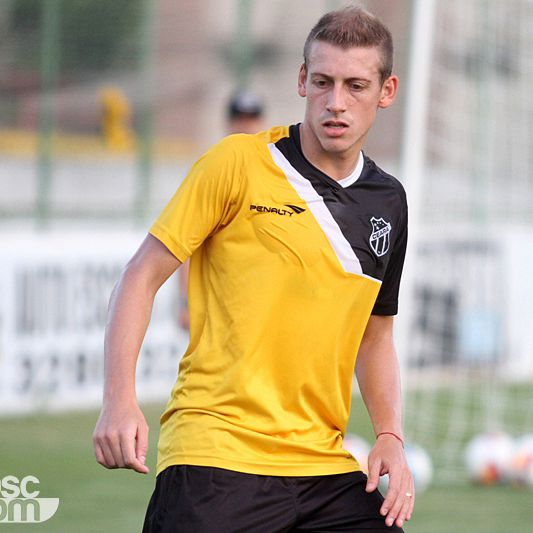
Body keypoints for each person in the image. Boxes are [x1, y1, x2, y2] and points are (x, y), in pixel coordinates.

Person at [93, 6, 412, 531]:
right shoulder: (237, 163)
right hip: (216, 454)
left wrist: (390, 437)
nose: (336, 102)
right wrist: (118, 400)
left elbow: (375, 336)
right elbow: (140, 276)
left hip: (321, 464)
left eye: (355, 86)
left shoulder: (389, 201)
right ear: (302, 80)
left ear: (386, 91)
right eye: (324, 82)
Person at [176, 88, 268, 331]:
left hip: (262, 306)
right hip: (219, 304)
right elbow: (186, 243)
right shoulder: (212, 171)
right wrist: (185, 302)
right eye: (240, 119)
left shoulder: (276, 172)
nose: (246, 126)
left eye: (252, 119)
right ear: (228, 123)